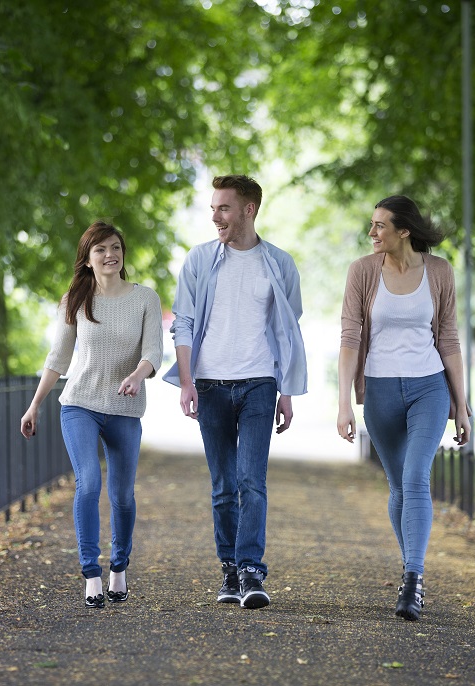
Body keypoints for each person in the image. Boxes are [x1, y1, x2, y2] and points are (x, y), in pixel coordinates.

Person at [164, 174, 307, 610]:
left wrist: (285, 390)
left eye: (223, 208)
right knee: (224, 484)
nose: (215, 216)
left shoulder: (279, 263)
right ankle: (228, 568)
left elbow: (287, 328)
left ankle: (251, 570)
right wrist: (187, 382)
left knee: (252, 480)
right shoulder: (201, 260)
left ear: (249, 209)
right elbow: (183, 323)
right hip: (209, 384)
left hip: (260, 382)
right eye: (212, 208)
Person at [336, 195, 470, 621]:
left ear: (404, 230)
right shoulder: (362, 271)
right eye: (371, 225)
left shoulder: (440, 272)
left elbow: (448, 339)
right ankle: (411, 562)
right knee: (398, 488)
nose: (372, 233)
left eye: (380, 226)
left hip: (429, 388)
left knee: (415, 480)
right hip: (378, 391)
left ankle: (413, 580)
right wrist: (344, 403)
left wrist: (461, 406)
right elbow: (349, 339)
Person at [21, 221, 163, 609]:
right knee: (87, 484)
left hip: (124, 409)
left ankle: (119, 567)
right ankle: (91, 574)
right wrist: (35, 404)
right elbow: (58, 358)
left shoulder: (145, 298)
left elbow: (154, 351)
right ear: (87, 259)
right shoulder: (75, 300)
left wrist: (137, 375)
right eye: (100, 249)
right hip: (80, 404)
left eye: (115, 247)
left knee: (122, 495)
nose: (110, 254)